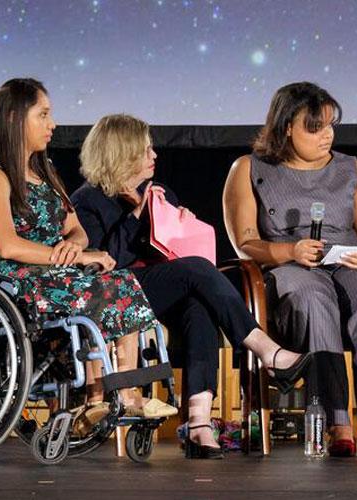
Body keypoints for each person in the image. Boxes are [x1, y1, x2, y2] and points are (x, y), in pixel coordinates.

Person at [72, 114, 314, 459]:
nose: (154, 155)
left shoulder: (159, 193)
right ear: (122, 153)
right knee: (197, 270)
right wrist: (137, 217)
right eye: (146, 150)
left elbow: (173, 249)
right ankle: (265, 349)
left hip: (161, 289)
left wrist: (180, 223)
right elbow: (105, 262)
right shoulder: (88, 200)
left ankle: (199, 422)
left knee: (198, 305)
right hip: (118, 293)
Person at [0, 78, 176, 423]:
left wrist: (74, 245)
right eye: (43, 115)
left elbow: (76, 229)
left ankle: (125, 392)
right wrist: (75, 256)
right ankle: (95, 397)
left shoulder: (45, 175)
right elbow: (7, 244)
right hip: (16, 278)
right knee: (99, 291)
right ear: (14, 118)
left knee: (121, 282)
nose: (53, 124)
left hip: (55, 272)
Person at [222, 82, 357, 458]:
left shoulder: (352, 169)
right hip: (290, 265)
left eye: (330, 125)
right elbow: (245, 242)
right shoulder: (249, 168)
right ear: (287, 126)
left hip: (346, 261)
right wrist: (289, 250)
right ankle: (336, 422)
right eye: (315, 127)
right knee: (312, 297)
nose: (327, 135)